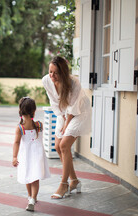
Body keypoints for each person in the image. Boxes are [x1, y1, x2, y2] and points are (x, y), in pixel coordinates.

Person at [42, 56, 92, 199]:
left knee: (64, 145)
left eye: (55, 73)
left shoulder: (74, 82)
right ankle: (75, 181)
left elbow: (73, 108)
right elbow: (53, 102)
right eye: (50, 72)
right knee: (58, 147)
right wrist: (62, 119)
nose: (52, 76)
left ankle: (64, 184)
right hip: (63, 112)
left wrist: (66, 125)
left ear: (63, 72)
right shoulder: (46, 80)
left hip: (80, 112)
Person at [12, 97, 51, 211]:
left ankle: (31, 198)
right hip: (37, 155)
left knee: (29, 176)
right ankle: (32, 198)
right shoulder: (39, 124)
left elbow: (16, 142)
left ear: (21, 111)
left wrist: (14, 157)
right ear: (34, 111)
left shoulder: (20, 128)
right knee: (33, 177)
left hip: (26, 156)